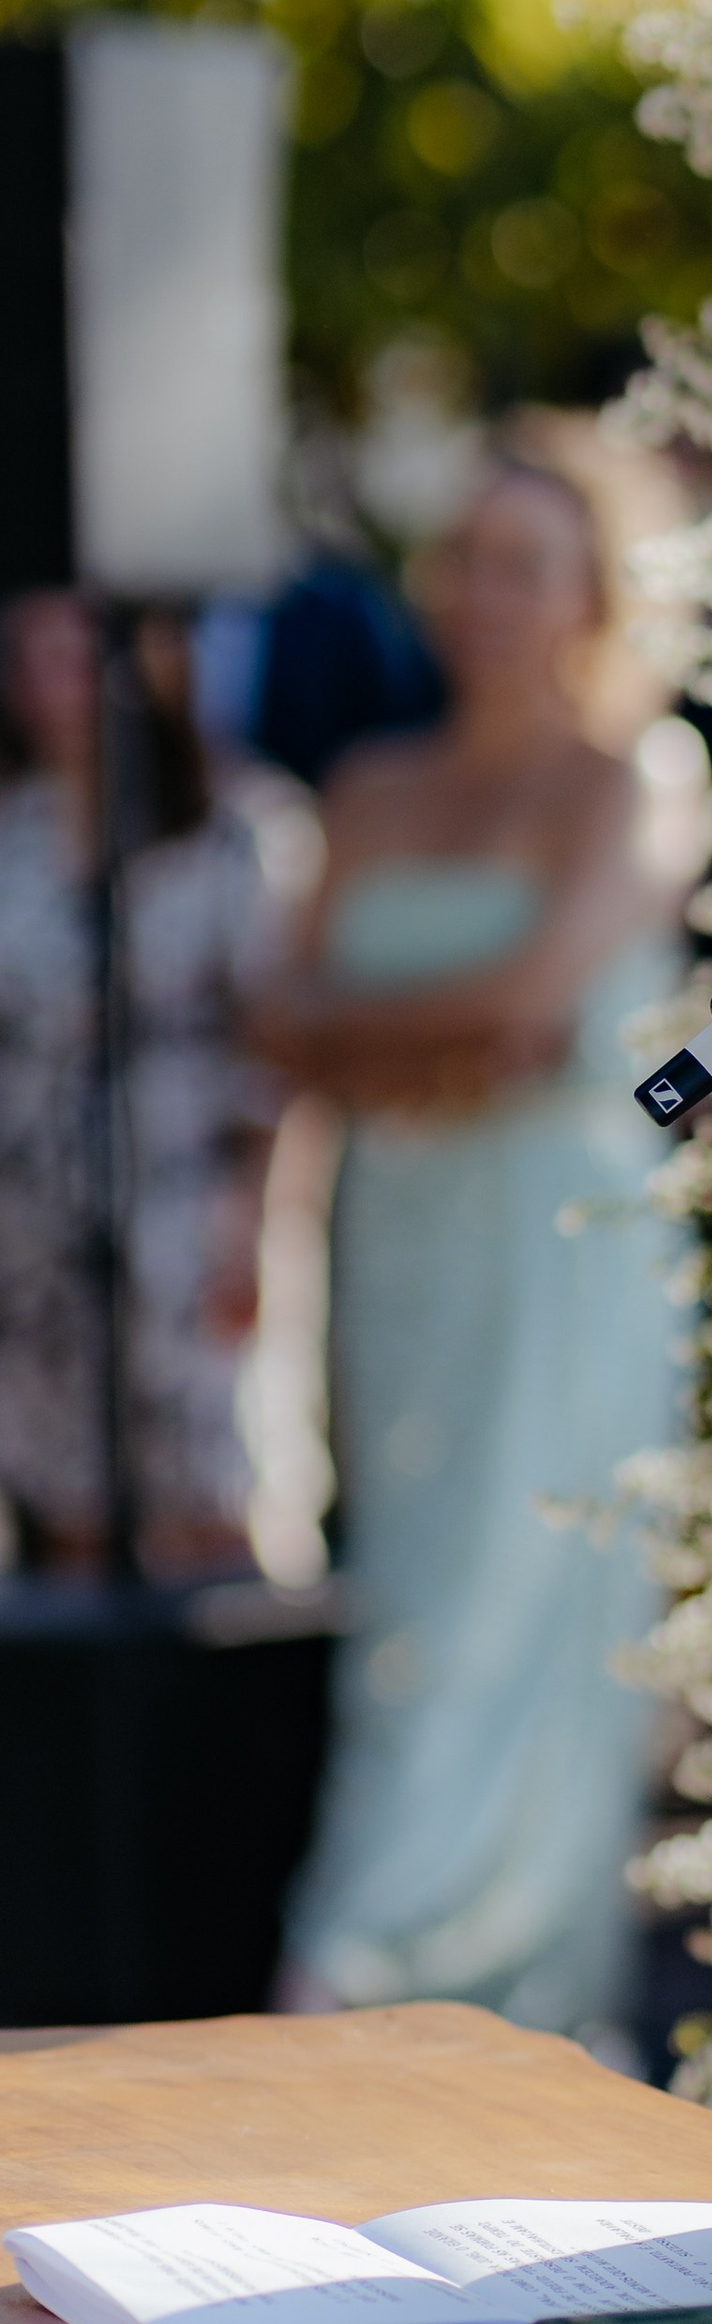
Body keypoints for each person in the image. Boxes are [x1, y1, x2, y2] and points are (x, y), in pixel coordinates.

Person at [254, 461, 690, 2045]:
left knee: (527, 1589)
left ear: (588, 589)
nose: (487, 592)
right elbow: (274, 1017)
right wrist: (430, 1052)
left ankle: (373, 1972)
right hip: (401, 1232)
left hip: (559, 1239)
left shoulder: (630, 776)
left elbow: (536, 1010)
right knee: (413, 1592)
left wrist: (384, 1045)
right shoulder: (367, 782)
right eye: (468, 558)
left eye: (526, 562)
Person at [0, 592, 297, 1584]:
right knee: (70, 1504)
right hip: (36, 1220)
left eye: (80, 655)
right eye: (35, 656)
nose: (58, 684)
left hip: (183, 1204)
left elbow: (277, 1049)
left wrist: (255, 1211)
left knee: (210, 1497)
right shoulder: (14, 834)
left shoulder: (237, 827)